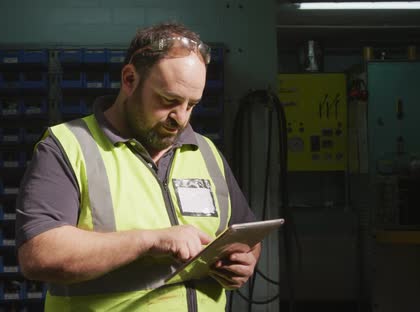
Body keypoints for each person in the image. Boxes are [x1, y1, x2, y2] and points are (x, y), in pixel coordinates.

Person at [16, 22, 260, 311]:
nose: (181, 118)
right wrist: (152, 240)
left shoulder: (206, 152)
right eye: (168, 100)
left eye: (192, 104)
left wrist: (245, 261)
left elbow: (246, 233)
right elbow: (40, 254)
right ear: (130, 79)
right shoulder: (67, 147)